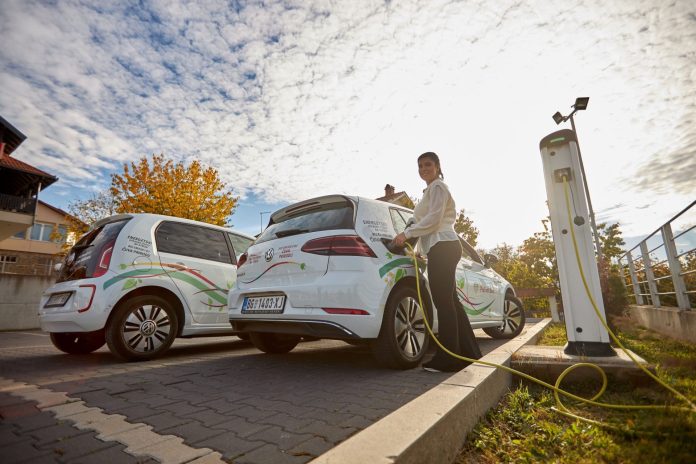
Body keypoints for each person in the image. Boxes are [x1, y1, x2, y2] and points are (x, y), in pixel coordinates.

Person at [394, 152, 482, 372]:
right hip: (441, 246)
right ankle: (469, 353)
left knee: (443, 302)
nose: (424, 169)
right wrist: (419, 250)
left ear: (437, 166)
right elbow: (427, 223)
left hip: (443, 246)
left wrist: (406, 234)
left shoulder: (438, 187)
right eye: (420, 166)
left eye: (428, 164)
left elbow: (433, 220)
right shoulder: (430, 190)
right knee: (451, 301)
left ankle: (448, 359)